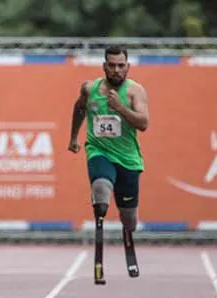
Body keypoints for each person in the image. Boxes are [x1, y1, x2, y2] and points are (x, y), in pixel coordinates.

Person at [68, 45, 149, 284]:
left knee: (130, 219)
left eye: (121, 66)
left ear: (128, 67)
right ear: (104, 66)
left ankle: (127, 233)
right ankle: (100, 224)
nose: (116, 70)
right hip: (98, 151)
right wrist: (74, 137)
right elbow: (79, 108)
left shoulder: (135, 91)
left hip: (128, 159)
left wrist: (120, 108)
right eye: (111, 65)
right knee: (101, 190)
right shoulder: (90, 89)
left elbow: (144, 123)